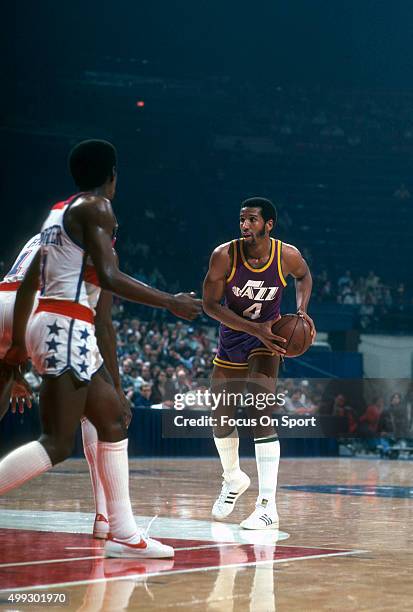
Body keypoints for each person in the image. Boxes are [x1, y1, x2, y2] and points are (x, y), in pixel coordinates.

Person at [1, 139, 201, 558]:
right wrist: (170, 301)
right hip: (67, 324)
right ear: (112, 175)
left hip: (48, 321)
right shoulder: (98, 209)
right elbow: (109, 278)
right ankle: (119, 530)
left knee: (111, 417)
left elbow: (29, 281)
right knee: (56, 443)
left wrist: (21, 342)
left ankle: (123, 532)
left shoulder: (56, 215)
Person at [0, 232, 127, 539]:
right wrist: (118, 388)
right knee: (97, 411)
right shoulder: (97, 240)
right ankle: (106, 518)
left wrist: (15, 365)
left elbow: (24, 285)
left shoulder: (43, 235)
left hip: (4, 302)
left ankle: (109, 521)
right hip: (39, 311)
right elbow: (103, 325)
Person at [203, 197, 315, 529]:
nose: (245, 225)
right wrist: (255, 329)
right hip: (235, 335)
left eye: (252, 219)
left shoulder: (287, 255)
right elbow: (210, 305)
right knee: (220, 417)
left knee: (259, 410)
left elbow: (304, 276)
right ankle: (234, 478)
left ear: (269, 225)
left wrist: (302, 310)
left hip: (269, 341)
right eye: (242, 220)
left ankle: (268, 506)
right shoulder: (224, 255)